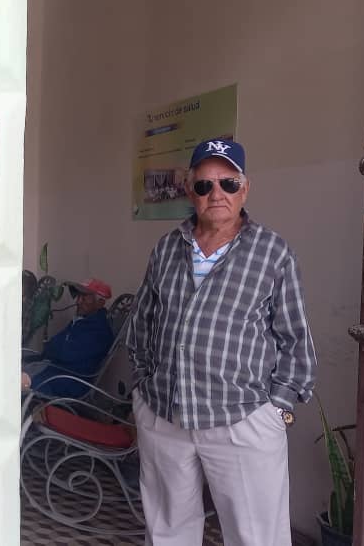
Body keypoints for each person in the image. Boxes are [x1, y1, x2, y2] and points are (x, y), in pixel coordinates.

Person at [126, 138, 317, 545]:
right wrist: (144, 387)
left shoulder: (273, 253)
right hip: (165, 415)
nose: (217, 194)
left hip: (241, 418)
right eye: (205, 185)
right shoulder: (167, 249)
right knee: (167, 533)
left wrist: (277, 409)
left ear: (245, 189)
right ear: (189, 190)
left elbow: (295, 339)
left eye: (228, 183)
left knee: (256, 537)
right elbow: (142, 321)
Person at [22, 278, 115, 397]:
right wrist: (54, 347)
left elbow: (64, 353)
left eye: (84, 298)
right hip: (53, 371)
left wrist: (54, 347)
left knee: (15, 383)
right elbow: (54, 345)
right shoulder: (81, 321)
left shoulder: (100, 331)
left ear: (100, 303)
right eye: (78, 296)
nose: (78, 302)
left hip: (68, 382)